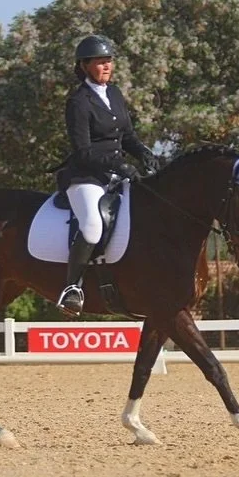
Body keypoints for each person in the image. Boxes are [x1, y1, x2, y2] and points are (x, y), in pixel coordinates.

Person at [55, 34, 160, 317]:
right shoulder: (78, 101)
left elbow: (127, 135)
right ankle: (72, 288)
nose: (106, 66)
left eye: (109, 61)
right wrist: (119, 165)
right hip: (86, 177)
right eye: (100, 62)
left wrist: (143, 152)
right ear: (84, 66)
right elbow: (83, 152)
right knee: (91, 225)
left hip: (116, 175)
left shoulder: (114, 93)